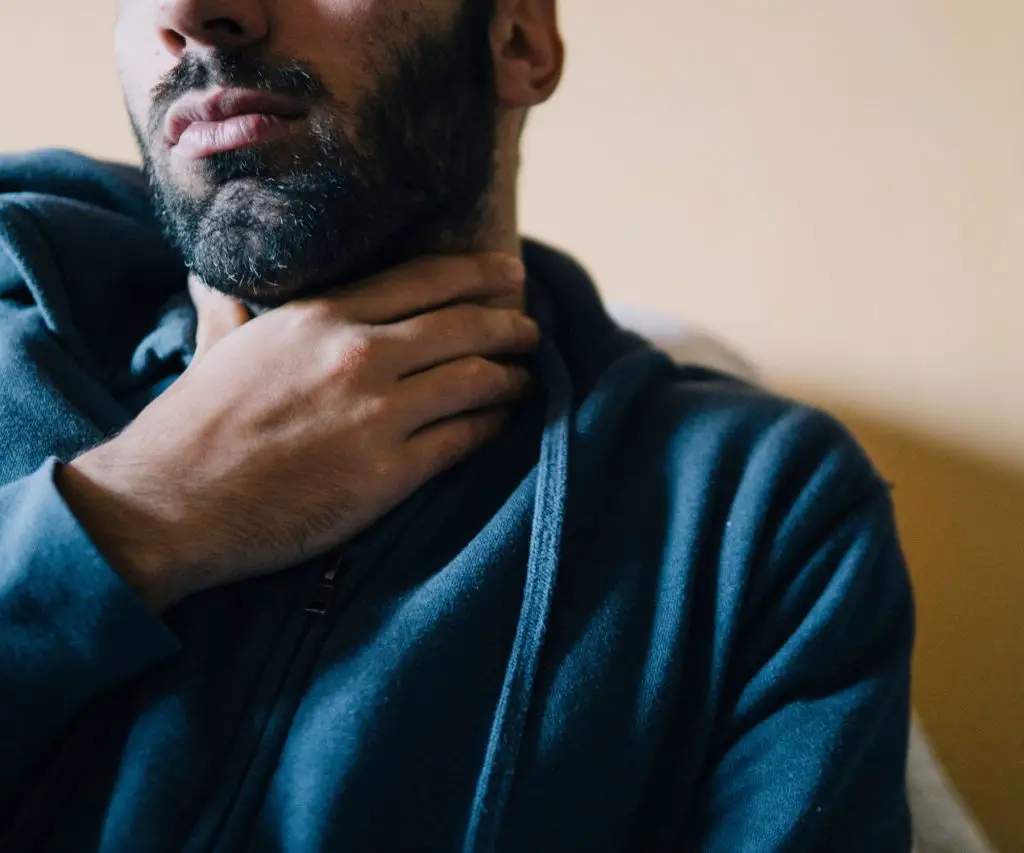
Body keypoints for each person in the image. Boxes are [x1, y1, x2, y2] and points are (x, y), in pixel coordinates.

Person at [0, 1, 915, 850]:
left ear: (519, 38)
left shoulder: (758, 512)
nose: (187, 13)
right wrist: (136, 516)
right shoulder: (22, 345)